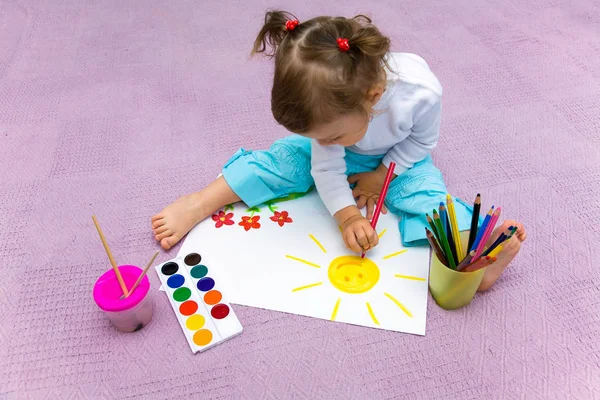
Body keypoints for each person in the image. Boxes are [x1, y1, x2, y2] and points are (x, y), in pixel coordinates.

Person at [151, 11, 526, 291]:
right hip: (351, 146)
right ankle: (201, 201)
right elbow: (326, 166)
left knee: (425, 195)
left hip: (399, 158)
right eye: (320, 136)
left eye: (329, 135)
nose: (323, 143)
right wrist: (347, 217)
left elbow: (421, 142)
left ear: (373, 97)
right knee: (283, 161)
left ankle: (477, 253)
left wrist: (383, 175)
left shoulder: (422, 92)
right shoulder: (329, 127)